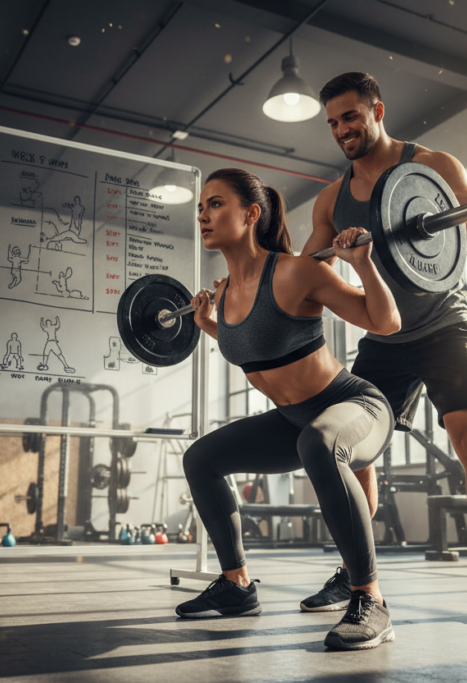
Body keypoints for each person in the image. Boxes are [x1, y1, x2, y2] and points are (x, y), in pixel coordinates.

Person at [299, 72, 467, 624]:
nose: (342, 130)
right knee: (353, 448)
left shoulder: (433, 166)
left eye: (350, 116)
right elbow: (305, 270)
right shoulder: (332, 199)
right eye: (333, 123)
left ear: (377, 109)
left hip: (446, 323)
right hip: (384, 336)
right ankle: (356, 572)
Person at [176, 167, 400, 650]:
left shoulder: (298, 270)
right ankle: (236, 586)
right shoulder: (227, 292)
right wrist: (208, 324)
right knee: (201, 458)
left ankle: (371, 599)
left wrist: (362, 264)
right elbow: (258, 346)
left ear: (251, 213)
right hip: (295, 421)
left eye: (215, 204)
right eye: (200, 207)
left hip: (354, 406)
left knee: (318, 441)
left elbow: (385, 321)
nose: (203, 215)